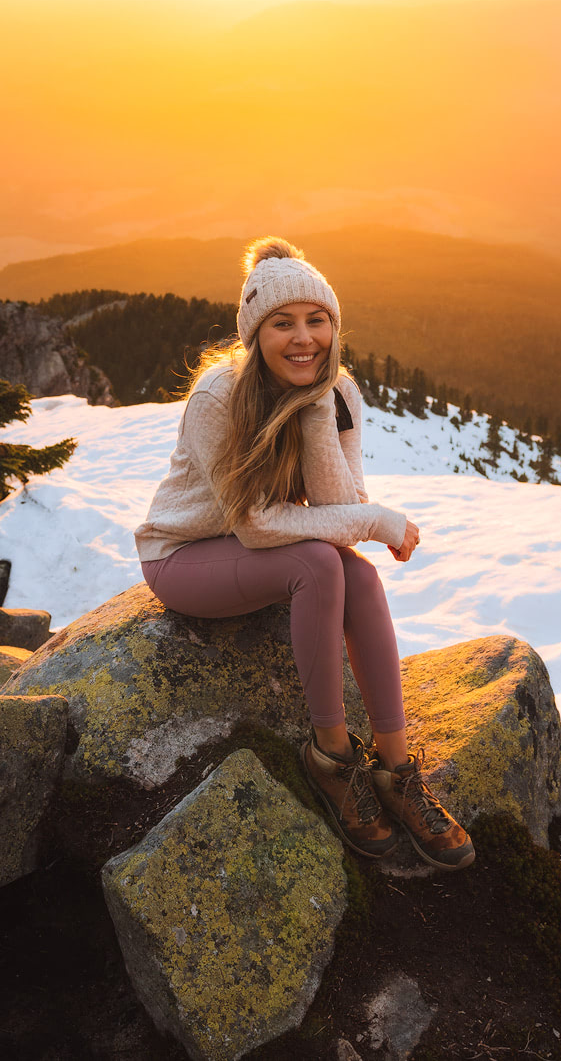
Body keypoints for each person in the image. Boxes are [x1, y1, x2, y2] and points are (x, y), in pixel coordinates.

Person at [134, 237, 475, 871]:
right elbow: (260, 526)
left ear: (334, 326)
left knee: (361, 578)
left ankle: (396, 771)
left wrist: (318, 407)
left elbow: (338, 507)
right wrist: (378, 520)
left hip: (259, 543)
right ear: (253, 335)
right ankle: (331, 758)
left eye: (317, 321)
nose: (303, 338)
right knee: (316, 565)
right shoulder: (219, 396)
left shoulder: (338, 392)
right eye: (282, 324)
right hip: (182, 557)